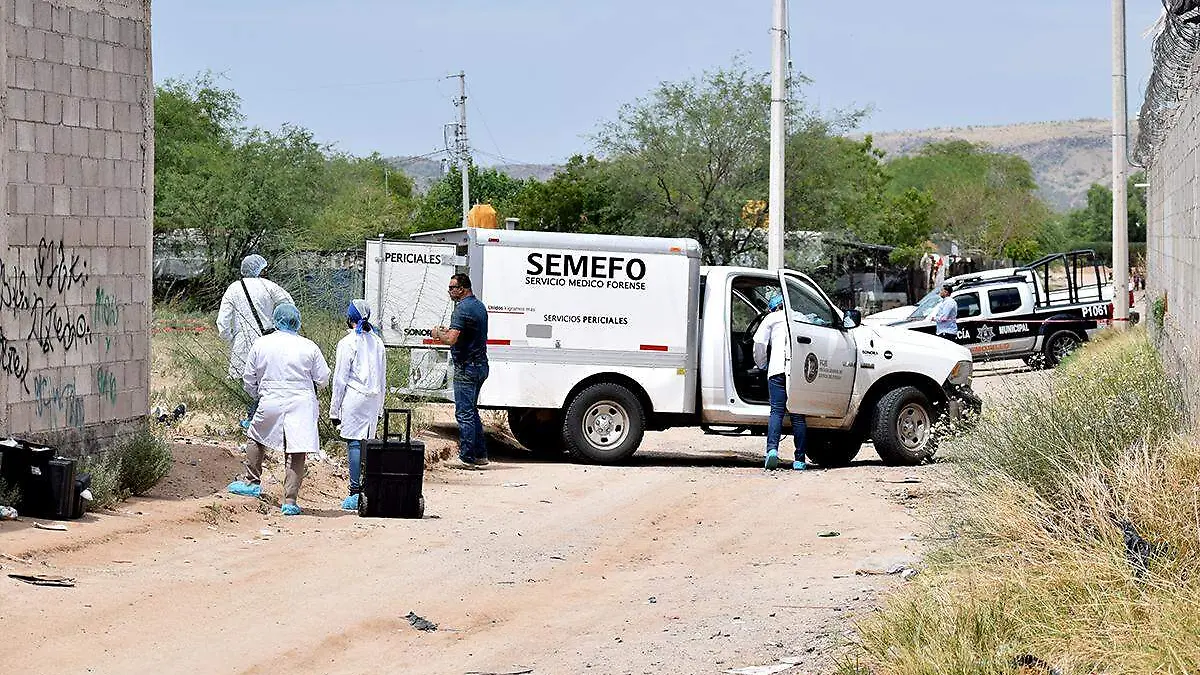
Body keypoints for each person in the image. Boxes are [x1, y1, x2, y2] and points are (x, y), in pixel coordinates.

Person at [227, 304, 330, 516]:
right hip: (301, 401)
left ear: (275, 321)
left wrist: (258, 393)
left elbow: (249, 379)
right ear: (297, 322)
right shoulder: (309, 346)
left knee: (256, 435)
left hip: (270, 399)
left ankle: (251, 481)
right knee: (296, 448)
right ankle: (290, 501)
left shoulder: (262, 344)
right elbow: (323, 378)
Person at [216, 254, 295, 427]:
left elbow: (222, 322)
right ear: (260, 269)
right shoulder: (269, 286)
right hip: (267, 340)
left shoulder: (234, 288)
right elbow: (289, 305)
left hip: (242, 344)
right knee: (268, 381)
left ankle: (251, 419)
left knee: (248, 383)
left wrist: (231, 339)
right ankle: (264, 420)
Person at [329, 299, 387, 511]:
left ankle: (354, 492)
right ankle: (369, 489)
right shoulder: (378, 342)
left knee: (353, 443)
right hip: (373, 399)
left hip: (354, 398)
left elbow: (340, 379)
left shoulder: (347, 343)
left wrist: (334, 410)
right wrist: (380, 407)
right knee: (367, 445)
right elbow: (382, 379)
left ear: (349, 318)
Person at [431, 273, 490, 467]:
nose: (449, 291)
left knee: (464, 413)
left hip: (467, 367)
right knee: (472, 411)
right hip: (481, 365)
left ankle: (466, 458)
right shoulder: (479, 306)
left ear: (462, 288)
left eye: (452, 287)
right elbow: (465, 333)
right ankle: (481, 455)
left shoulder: (461, 309)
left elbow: (451, 339)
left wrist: (437, 333)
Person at [752, 293, 807, 471]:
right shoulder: (799, 317)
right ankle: (799, 459)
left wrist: (762, 365)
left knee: (776, 411)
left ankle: (772, 451)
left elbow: (759, 343)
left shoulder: (771, 318)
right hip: (797, 372)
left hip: (776, 370)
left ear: (774, 307)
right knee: (798, 415)